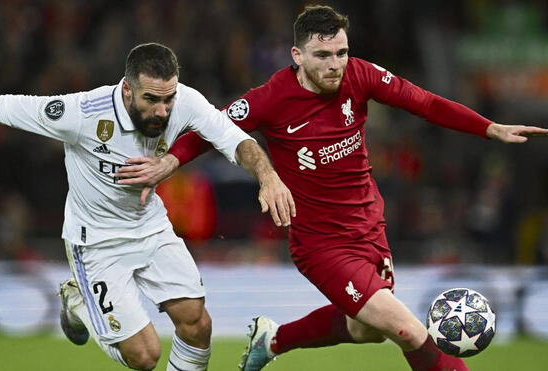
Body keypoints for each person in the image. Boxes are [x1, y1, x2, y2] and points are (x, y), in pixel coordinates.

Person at [114, 6, 548, 371]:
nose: (335, 64)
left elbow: (425, 103)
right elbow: (211, 130)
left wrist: (488, 128)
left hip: (368, 228)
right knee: (408, 331)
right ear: (297, 55)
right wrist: (167, 163)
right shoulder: (270, 98)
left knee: (366, 330)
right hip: (320, 244)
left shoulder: (359, 76)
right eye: (323, 55)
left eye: (341, 52)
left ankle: (274, 340)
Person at [0, 42, 294, 371]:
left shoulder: (186, 103)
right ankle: (76, 300)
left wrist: (268, 176)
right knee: (145, 356)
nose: (163, 110)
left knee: (198, 325)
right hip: (95, 244)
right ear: (127, 90)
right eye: (152, 100)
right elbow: (1, 106)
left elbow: (238, 140)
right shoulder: (82, 113)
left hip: (151, 227)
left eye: (168, 99)